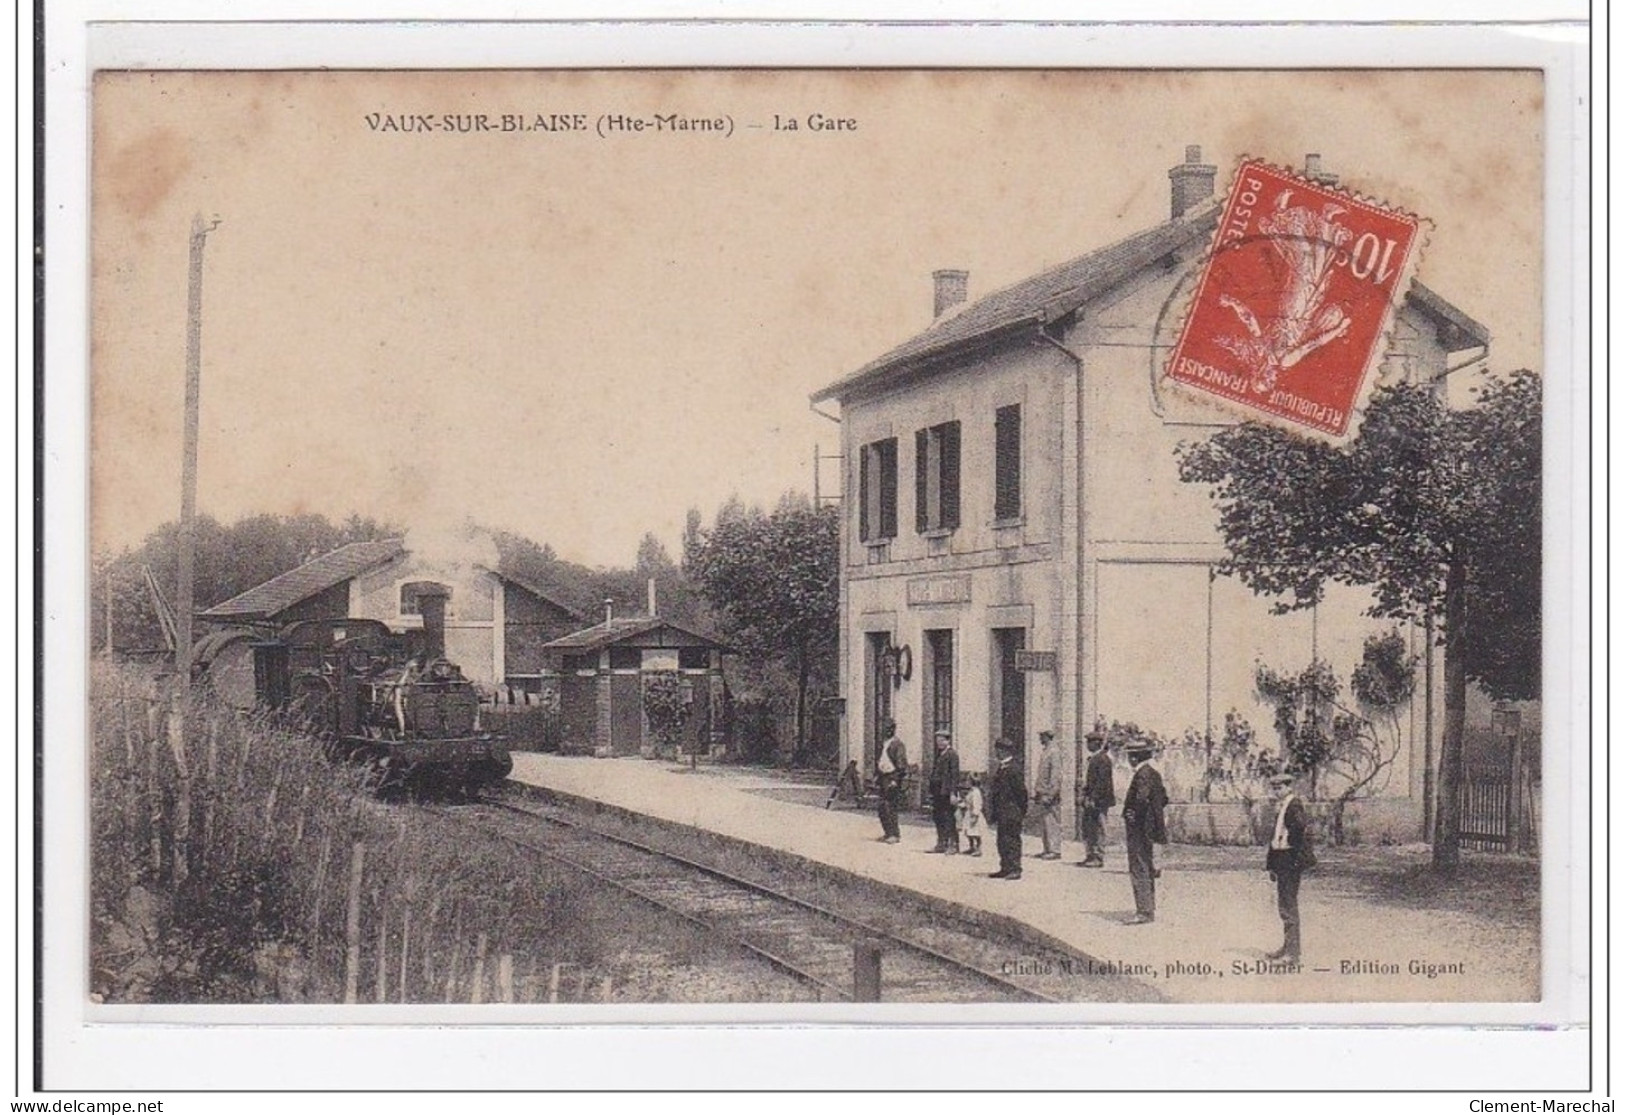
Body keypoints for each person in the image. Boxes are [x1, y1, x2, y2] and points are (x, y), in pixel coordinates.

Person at [1264, 770, 1314, 962]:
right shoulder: (1284, 805)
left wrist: (1293, 856)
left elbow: (1300, 830)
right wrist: (1272, 864)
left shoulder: (1294, 805)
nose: (1277, 791)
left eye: (1280, 787)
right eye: (1274, 788)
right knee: (1284, 905)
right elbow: (1276, 837)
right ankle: (1287, 947)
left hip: (1289, 861)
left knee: (1288, 905)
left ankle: (1293, 953)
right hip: (1281, 859)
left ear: (1288, 787)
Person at [1121, 741, 1168, 923]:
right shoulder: (1154, 773)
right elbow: (1164, 798)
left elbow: (1141, 799)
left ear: (1134, 757)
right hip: (1151, 827)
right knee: (1147, 866)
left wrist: (1133, 815)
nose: (1128, 759)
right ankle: (1148, 907)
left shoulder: (1142, 775)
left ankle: (1144, 911)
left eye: (1129, 755)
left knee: (1139, 866)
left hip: (1140, 829)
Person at [987, 738, 1028, 880]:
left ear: (1003, 751)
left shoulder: (1014, 769)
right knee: (1002, 840)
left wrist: (1020, 811)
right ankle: (1005, 867)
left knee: (1012, 840)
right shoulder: (1002, 767)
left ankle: (1015, 868)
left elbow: (1021, 793)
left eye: (997, 750)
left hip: (1012, 811)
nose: (996, 753)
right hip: (1002, 811)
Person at [1080, 729, 1115, 867]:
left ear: (1098, 743)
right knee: (1089, 827)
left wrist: (1093, 798)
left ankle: (1098, 857)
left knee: (1099, 828)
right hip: (1091, 799)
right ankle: (1090, 855)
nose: (1088, 744)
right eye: (1088, 742)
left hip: (1099, 801)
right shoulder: (1093, 758)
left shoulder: (1102, 759)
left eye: (1091, 742)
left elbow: (1102, 782)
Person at [927, 729, 962, 853]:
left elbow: (954, 775)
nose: (939, 743)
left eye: (941, 740)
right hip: (938, 792)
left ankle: (953, 844)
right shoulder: (940, 754)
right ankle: (941, 843)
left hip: (946, 792)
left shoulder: (952, 755)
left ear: (948, 740)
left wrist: (953, 793)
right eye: (937, 740)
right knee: (938, 817)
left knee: (949, 818)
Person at [874, 719, 908, 844]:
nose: (886, 731)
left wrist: (895, 780)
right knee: (882, 807)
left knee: (891, 806)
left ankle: (895, 834)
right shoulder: (884, 743)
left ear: (893, 729)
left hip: (892, 777)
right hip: (883, 777)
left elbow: (901, 765)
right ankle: (887, 832)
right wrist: (877, 775)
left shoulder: (897, 744)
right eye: (885, 728)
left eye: (889, 728)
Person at [1032, 730, 1064, 860]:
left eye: (1042, 736)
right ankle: (1047, 848)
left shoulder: (1054, 752)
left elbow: (1055, 776)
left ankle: (1055, 850)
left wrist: (1051, 794)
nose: (1040, 738)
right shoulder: (1046, 751)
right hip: (1043, 792)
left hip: (1049, 794)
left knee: (1052, 821)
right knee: (1045, 821)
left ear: (1047, 737)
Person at [958, 774, 986, 857]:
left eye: (968, 781)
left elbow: (977, 804)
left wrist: (975, 815)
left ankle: (978, 848)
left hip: (974, 814)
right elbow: (967, 802)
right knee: (968, 832)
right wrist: (961, 804)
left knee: (976, 832)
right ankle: (971, 847)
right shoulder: (971, 791)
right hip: (968, 813)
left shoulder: (976, 792)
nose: (967, 783)